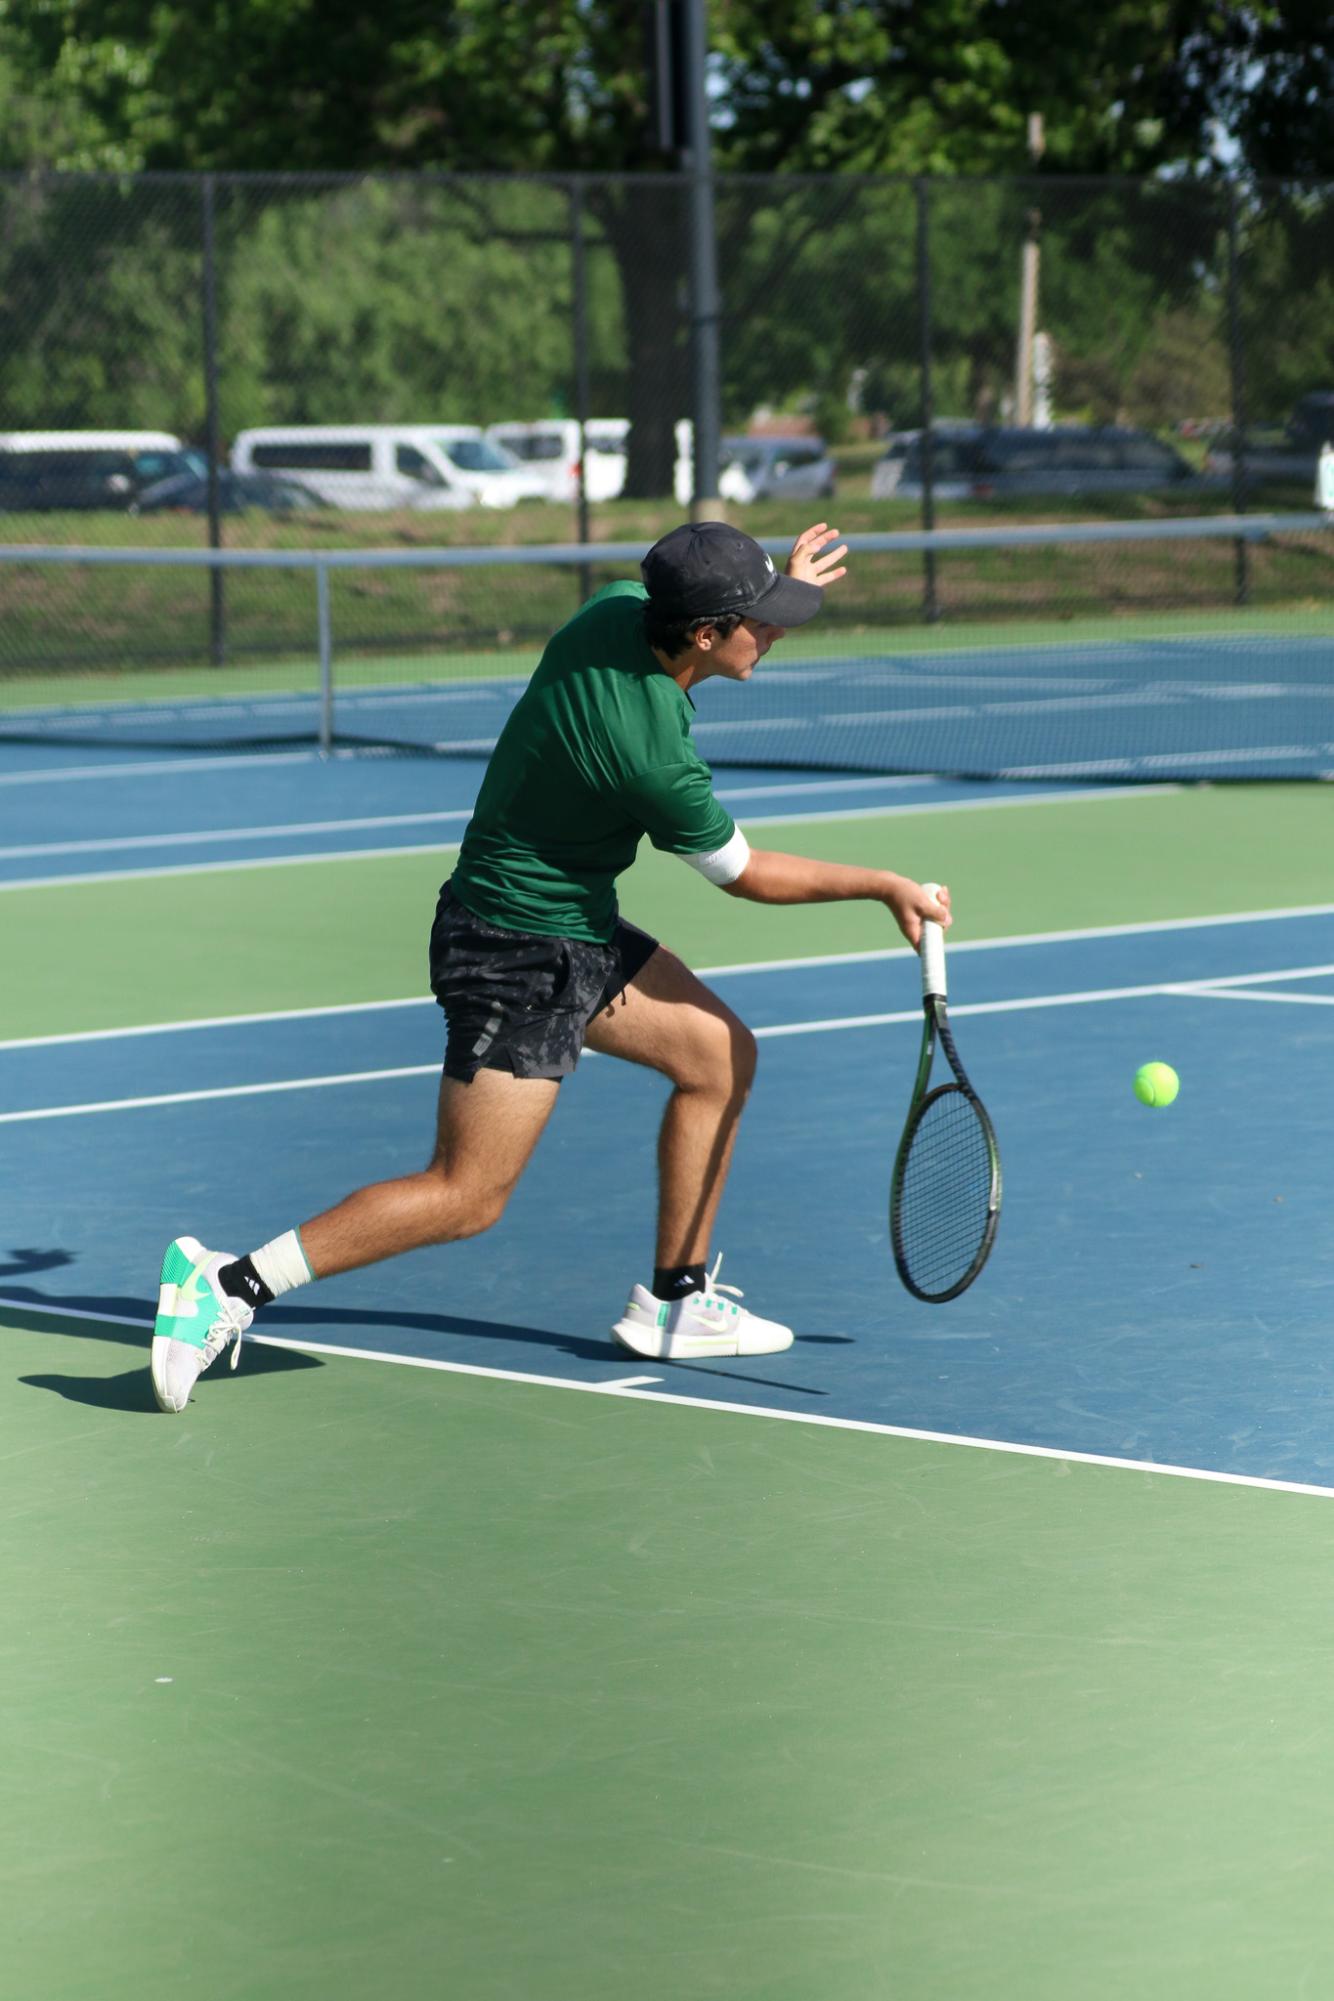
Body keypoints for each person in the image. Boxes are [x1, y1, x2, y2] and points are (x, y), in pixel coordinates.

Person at [150, 519, 950, 1413]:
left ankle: (678, 1304)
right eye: (758, 622)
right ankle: (226, 1285)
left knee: (719, 1056)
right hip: (512, 950)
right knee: (466, 1194)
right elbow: (746, 874)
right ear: (700, 634)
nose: (774, 635)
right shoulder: (651, 755)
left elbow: (707, 620)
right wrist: (883, 884)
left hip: (574, 926)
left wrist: (779, 584)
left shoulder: (615, 608)